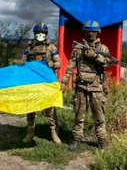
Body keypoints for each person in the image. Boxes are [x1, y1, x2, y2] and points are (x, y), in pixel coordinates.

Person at [60, 20, 115, 150]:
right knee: (79, 116)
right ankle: (77, 140)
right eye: (88, 31)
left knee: (99, 117)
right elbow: (70, 67)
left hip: (97, 87)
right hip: (81, 86)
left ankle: (102, 141)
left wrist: (95, 56)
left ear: (97, 33)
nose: (90, 33)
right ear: (84, 32)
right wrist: (64, 82)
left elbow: (108, 63)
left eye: (93, 31)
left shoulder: (103, 48)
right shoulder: (78, 48)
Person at [20, 22, 62, 144]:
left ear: (46, 34)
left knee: (50, 110)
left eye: (42, 33)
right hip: (32, 84)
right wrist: (20, 64)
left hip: (46, 84)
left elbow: (59, 63)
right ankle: (30, 132)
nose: (39, 35)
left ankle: (54, 133)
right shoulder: (29, 48)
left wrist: (52, 64)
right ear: (34, 34)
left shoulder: (51, 48)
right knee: (31, 109)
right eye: (37, 33)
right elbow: (22, 62)